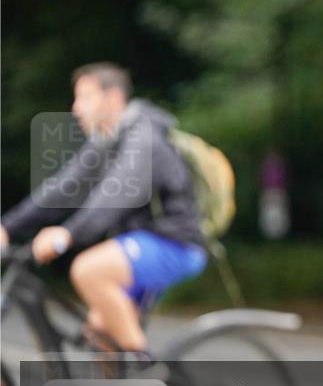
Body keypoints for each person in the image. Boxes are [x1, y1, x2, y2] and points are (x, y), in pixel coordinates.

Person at [0, 62, 207, 356]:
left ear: (112, 98)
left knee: (88, 270)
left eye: (84, 97)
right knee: (100, 336)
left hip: (174, 244)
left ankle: (145, 370)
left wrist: (66, 235)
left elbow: (113, 199)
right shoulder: (106, 142)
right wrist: (8, 226)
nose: (75, 108)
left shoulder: (143, 139)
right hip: (140, 245)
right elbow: (62, 189)